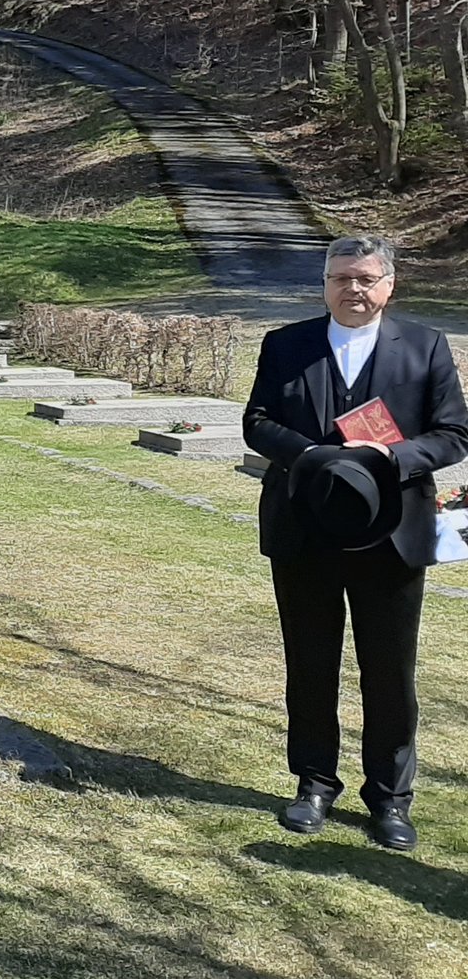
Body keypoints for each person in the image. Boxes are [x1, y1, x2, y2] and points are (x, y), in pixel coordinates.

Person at [242, 235, 468, 852]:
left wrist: (392, 455)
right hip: (305, 529)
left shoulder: (425, 347)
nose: (354, 289)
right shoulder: (286, 345)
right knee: (310, 664)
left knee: (390, 672)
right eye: (341, 278)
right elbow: (257, 422)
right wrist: (310, 454)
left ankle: (390, 797)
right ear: (324, 283)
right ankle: (314, 784)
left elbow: (453, 434)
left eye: (366, 278)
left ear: (388, 285)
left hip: (392, 536)